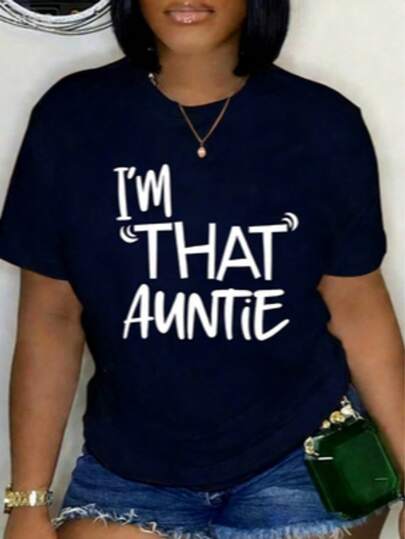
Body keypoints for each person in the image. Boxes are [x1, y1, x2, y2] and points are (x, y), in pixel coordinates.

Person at [1, 1, 404, 538]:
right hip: (130, 471)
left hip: (307, 457)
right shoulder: (72, 118)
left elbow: (357, 305)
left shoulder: (324, 123)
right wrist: (27, 501)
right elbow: (51, 318)